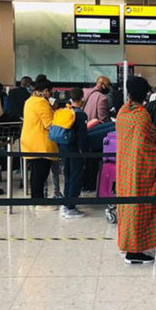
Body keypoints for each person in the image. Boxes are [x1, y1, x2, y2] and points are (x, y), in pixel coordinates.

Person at [116, 76, 156, 264]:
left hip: (125, 169)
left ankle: (130, 244)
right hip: (140, 172)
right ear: (146, 95)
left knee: (128, 207)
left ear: (129, 94)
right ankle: (134, 251)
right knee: (140, 207)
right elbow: (149, 146)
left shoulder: (123, 112)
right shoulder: (141, 115)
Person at [20, 75, 59, 211]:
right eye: (50, 91)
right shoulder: (42, 102)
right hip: (40, 143)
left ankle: (36, 200)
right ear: (46, 90)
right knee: (40, 174)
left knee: (36, 173)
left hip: (30, 141)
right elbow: (49, 123)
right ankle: (39, 202)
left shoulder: (30, 100)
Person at [59, 87, 88, 219]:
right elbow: (82, 136)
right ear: (81, 98)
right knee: (76, 175)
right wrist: (84, 150)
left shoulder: (66, 110)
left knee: (67, 174)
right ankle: (71, 207)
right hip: (76, 149)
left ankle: (66, 203)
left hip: (64, 147)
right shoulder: (81, 115)